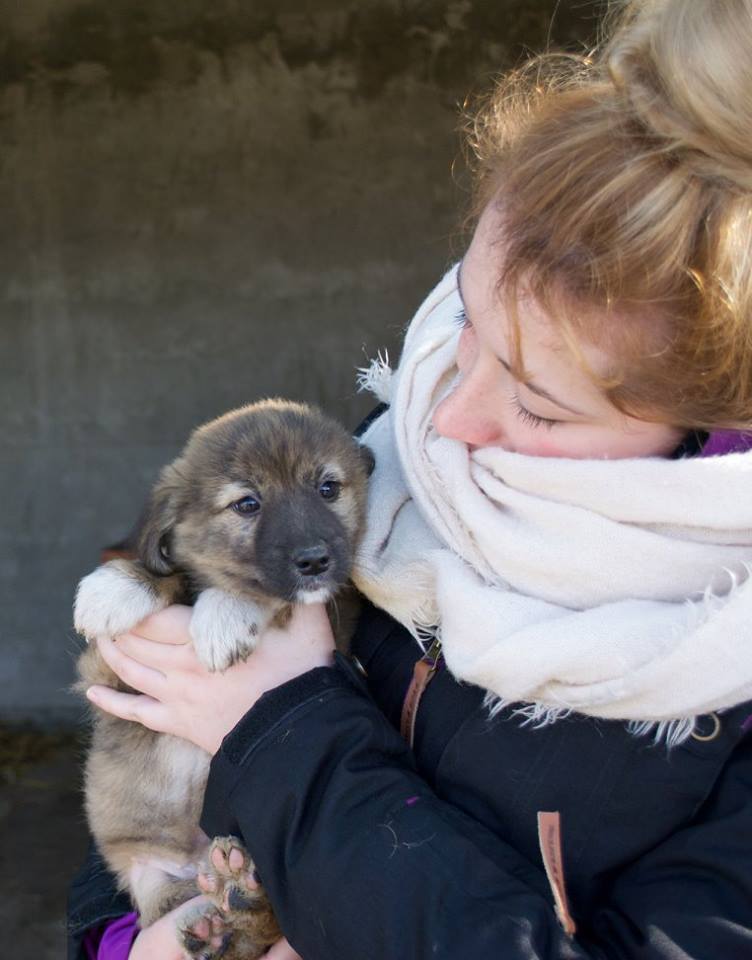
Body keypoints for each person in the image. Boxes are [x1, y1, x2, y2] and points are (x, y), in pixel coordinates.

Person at [68, 0, 752, 956]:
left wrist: (286, 727)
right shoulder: (399, 456)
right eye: (464, 323)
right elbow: (144, 754)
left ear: (721, 421)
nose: (442, 418)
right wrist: (127, 942)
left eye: (541, 405)